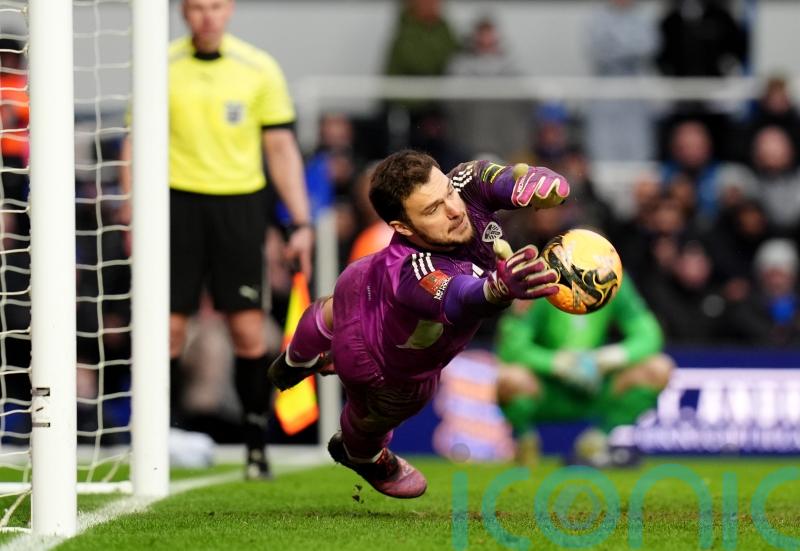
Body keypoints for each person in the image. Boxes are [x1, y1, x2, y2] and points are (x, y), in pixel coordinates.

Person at [269, 150, 570, 498]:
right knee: (371, 421)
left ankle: (297, 359)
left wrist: (540, 182)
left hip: (362, 280)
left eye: (448, 193)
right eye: (432, 210)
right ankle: (361, 453)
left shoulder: (463, 183)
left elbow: (497, 178)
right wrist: (497, 290)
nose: (453, 210)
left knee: (334, 309)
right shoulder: (416, 271)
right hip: (379, 365)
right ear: (403, 227)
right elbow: (461, 297)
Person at [120, 0, 313, 479]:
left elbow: (281, 148)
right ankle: (160, 440)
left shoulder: (258, 67)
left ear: (229, 10)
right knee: (167, 329)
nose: (207, 15)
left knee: (248, 330)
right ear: (184, 13)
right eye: (198, 7)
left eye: (216, 6)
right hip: (174, 204)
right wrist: (130, 214)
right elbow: (134, 143)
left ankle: (255, 445)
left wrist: (300, 222)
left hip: (239, 206)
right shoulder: (159, 64)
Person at [495, 275, 674, 468]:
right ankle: (525, 440)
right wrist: (557, 364)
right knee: (509, 378)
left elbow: (650, 335)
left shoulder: (612, 278)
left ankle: (599, 438)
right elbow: (511, 348)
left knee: (659, 368)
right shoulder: (539, 281)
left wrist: (611, 357)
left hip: (597, 385)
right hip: (547, 390)